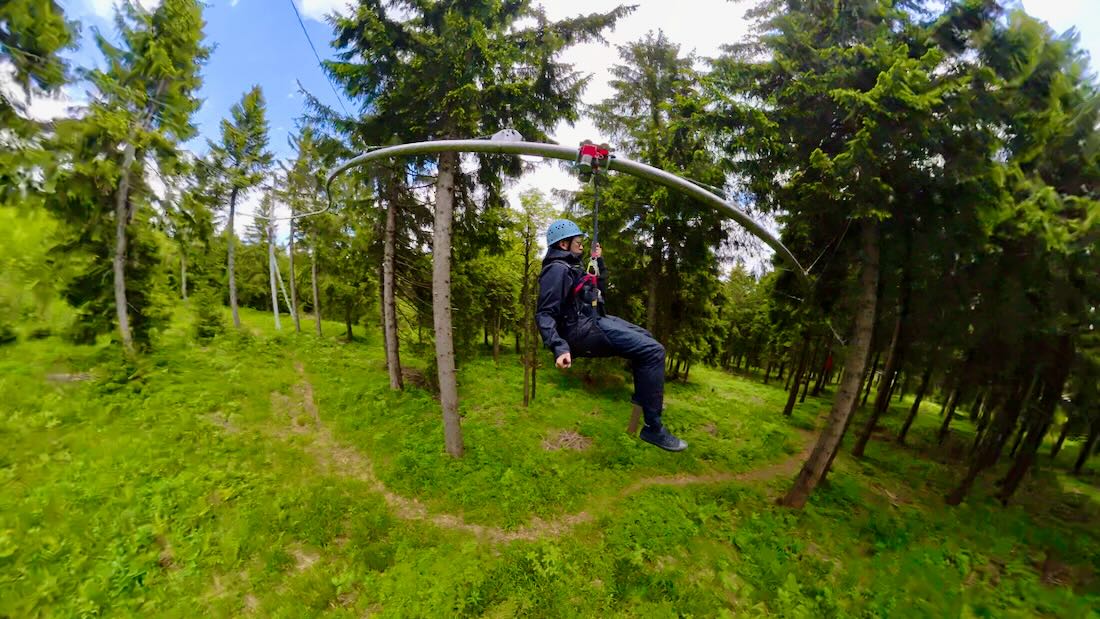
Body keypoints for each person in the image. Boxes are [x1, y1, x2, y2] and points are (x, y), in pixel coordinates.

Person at [535, 219, 688, 452]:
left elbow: (597, 290)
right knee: (653, 351)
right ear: (564, 244)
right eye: (578, 241)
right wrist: (559, 347)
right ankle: (653, 428)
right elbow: (545, 313)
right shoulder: (556, 271)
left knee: (647, 339)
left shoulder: (571, 267)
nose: (581, 245)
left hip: (593, 320)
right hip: (581, 332)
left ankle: (645, 398)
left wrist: (599, 261)